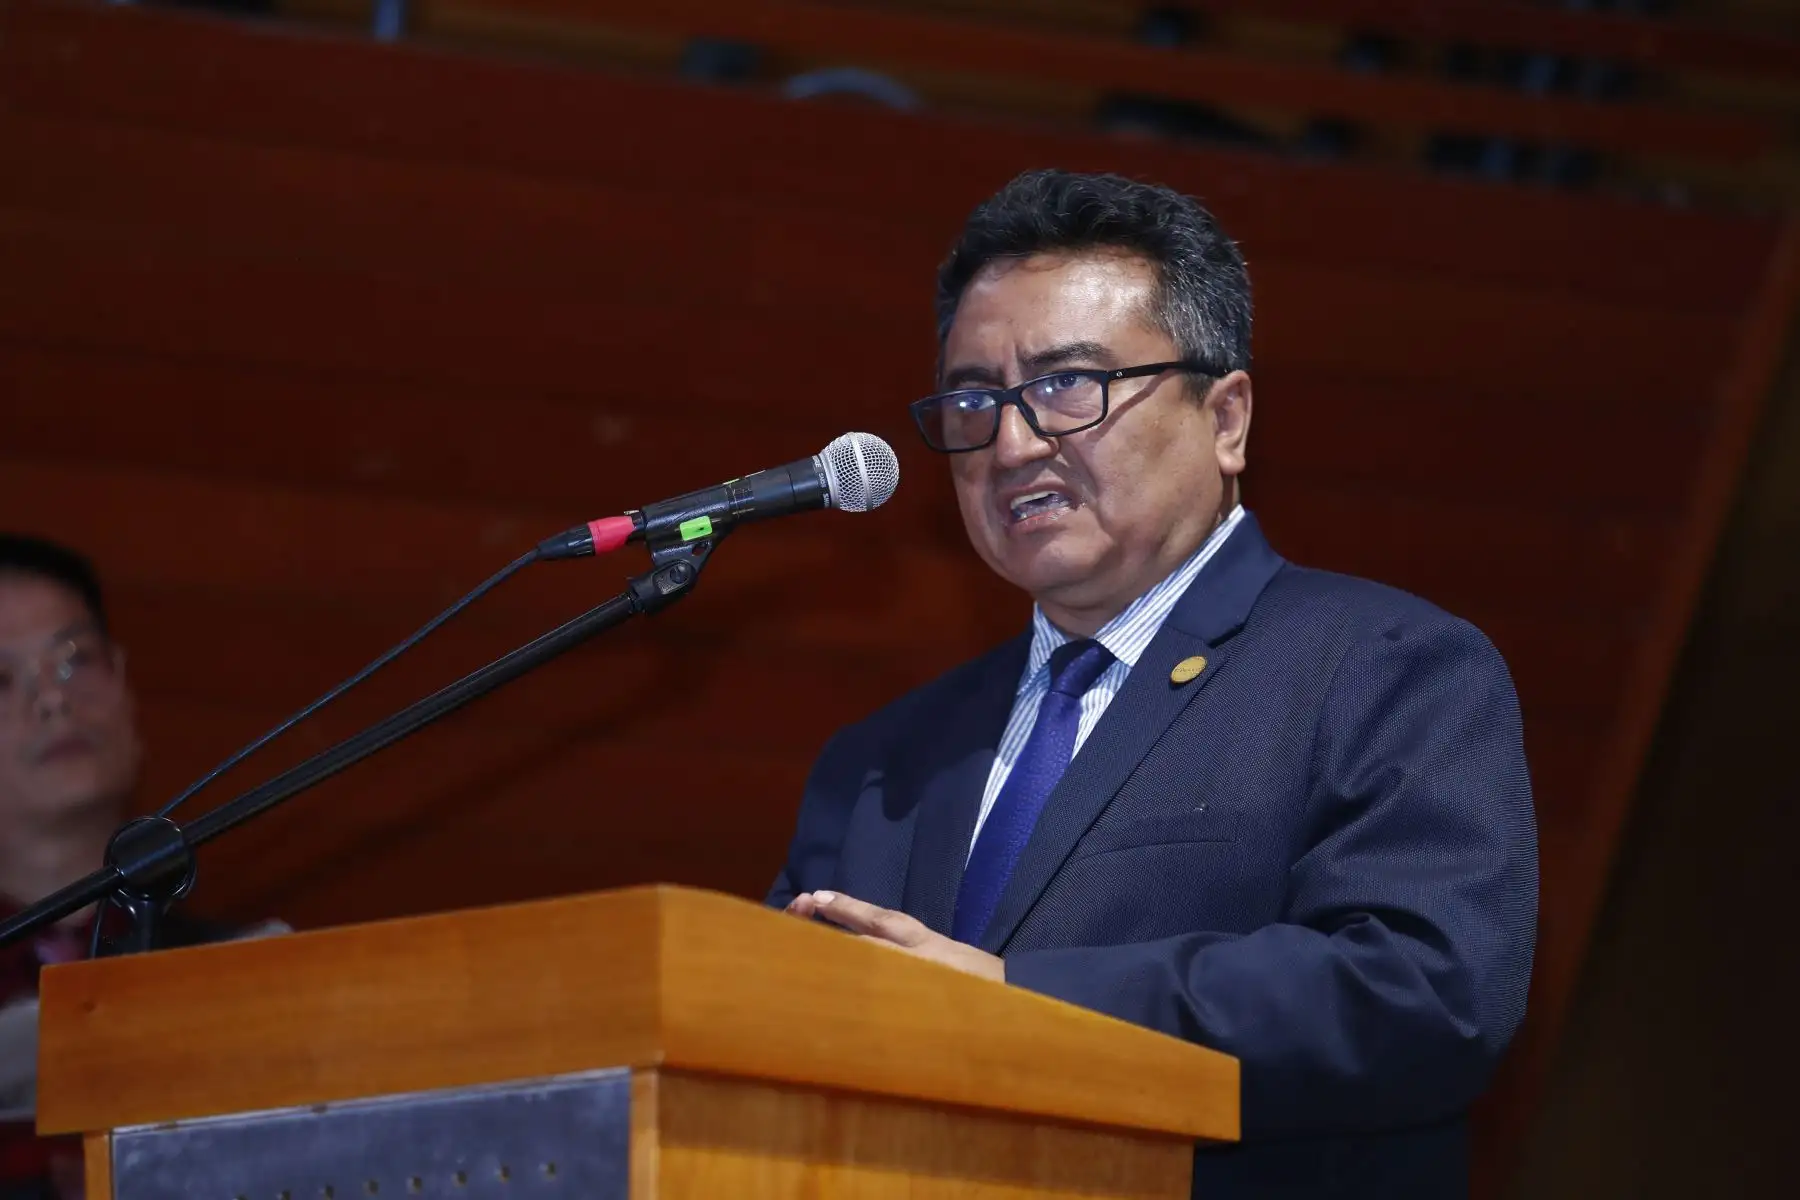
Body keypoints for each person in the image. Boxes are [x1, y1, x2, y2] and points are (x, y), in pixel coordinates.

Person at [768, 170, 1537, 1199]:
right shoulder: (881, 764)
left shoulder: (1387, 668)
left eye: (1066, 386)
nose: (1008, 442)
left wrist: (1016, 1005)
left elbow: (1426, 998)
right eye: (973, 398)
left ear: (1227, 418)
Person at [0, 535, 282, 1199]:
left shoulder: (235, 975)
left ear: (126, 689)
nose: (53, 701)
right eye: (1, 678)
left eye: (74, 661)